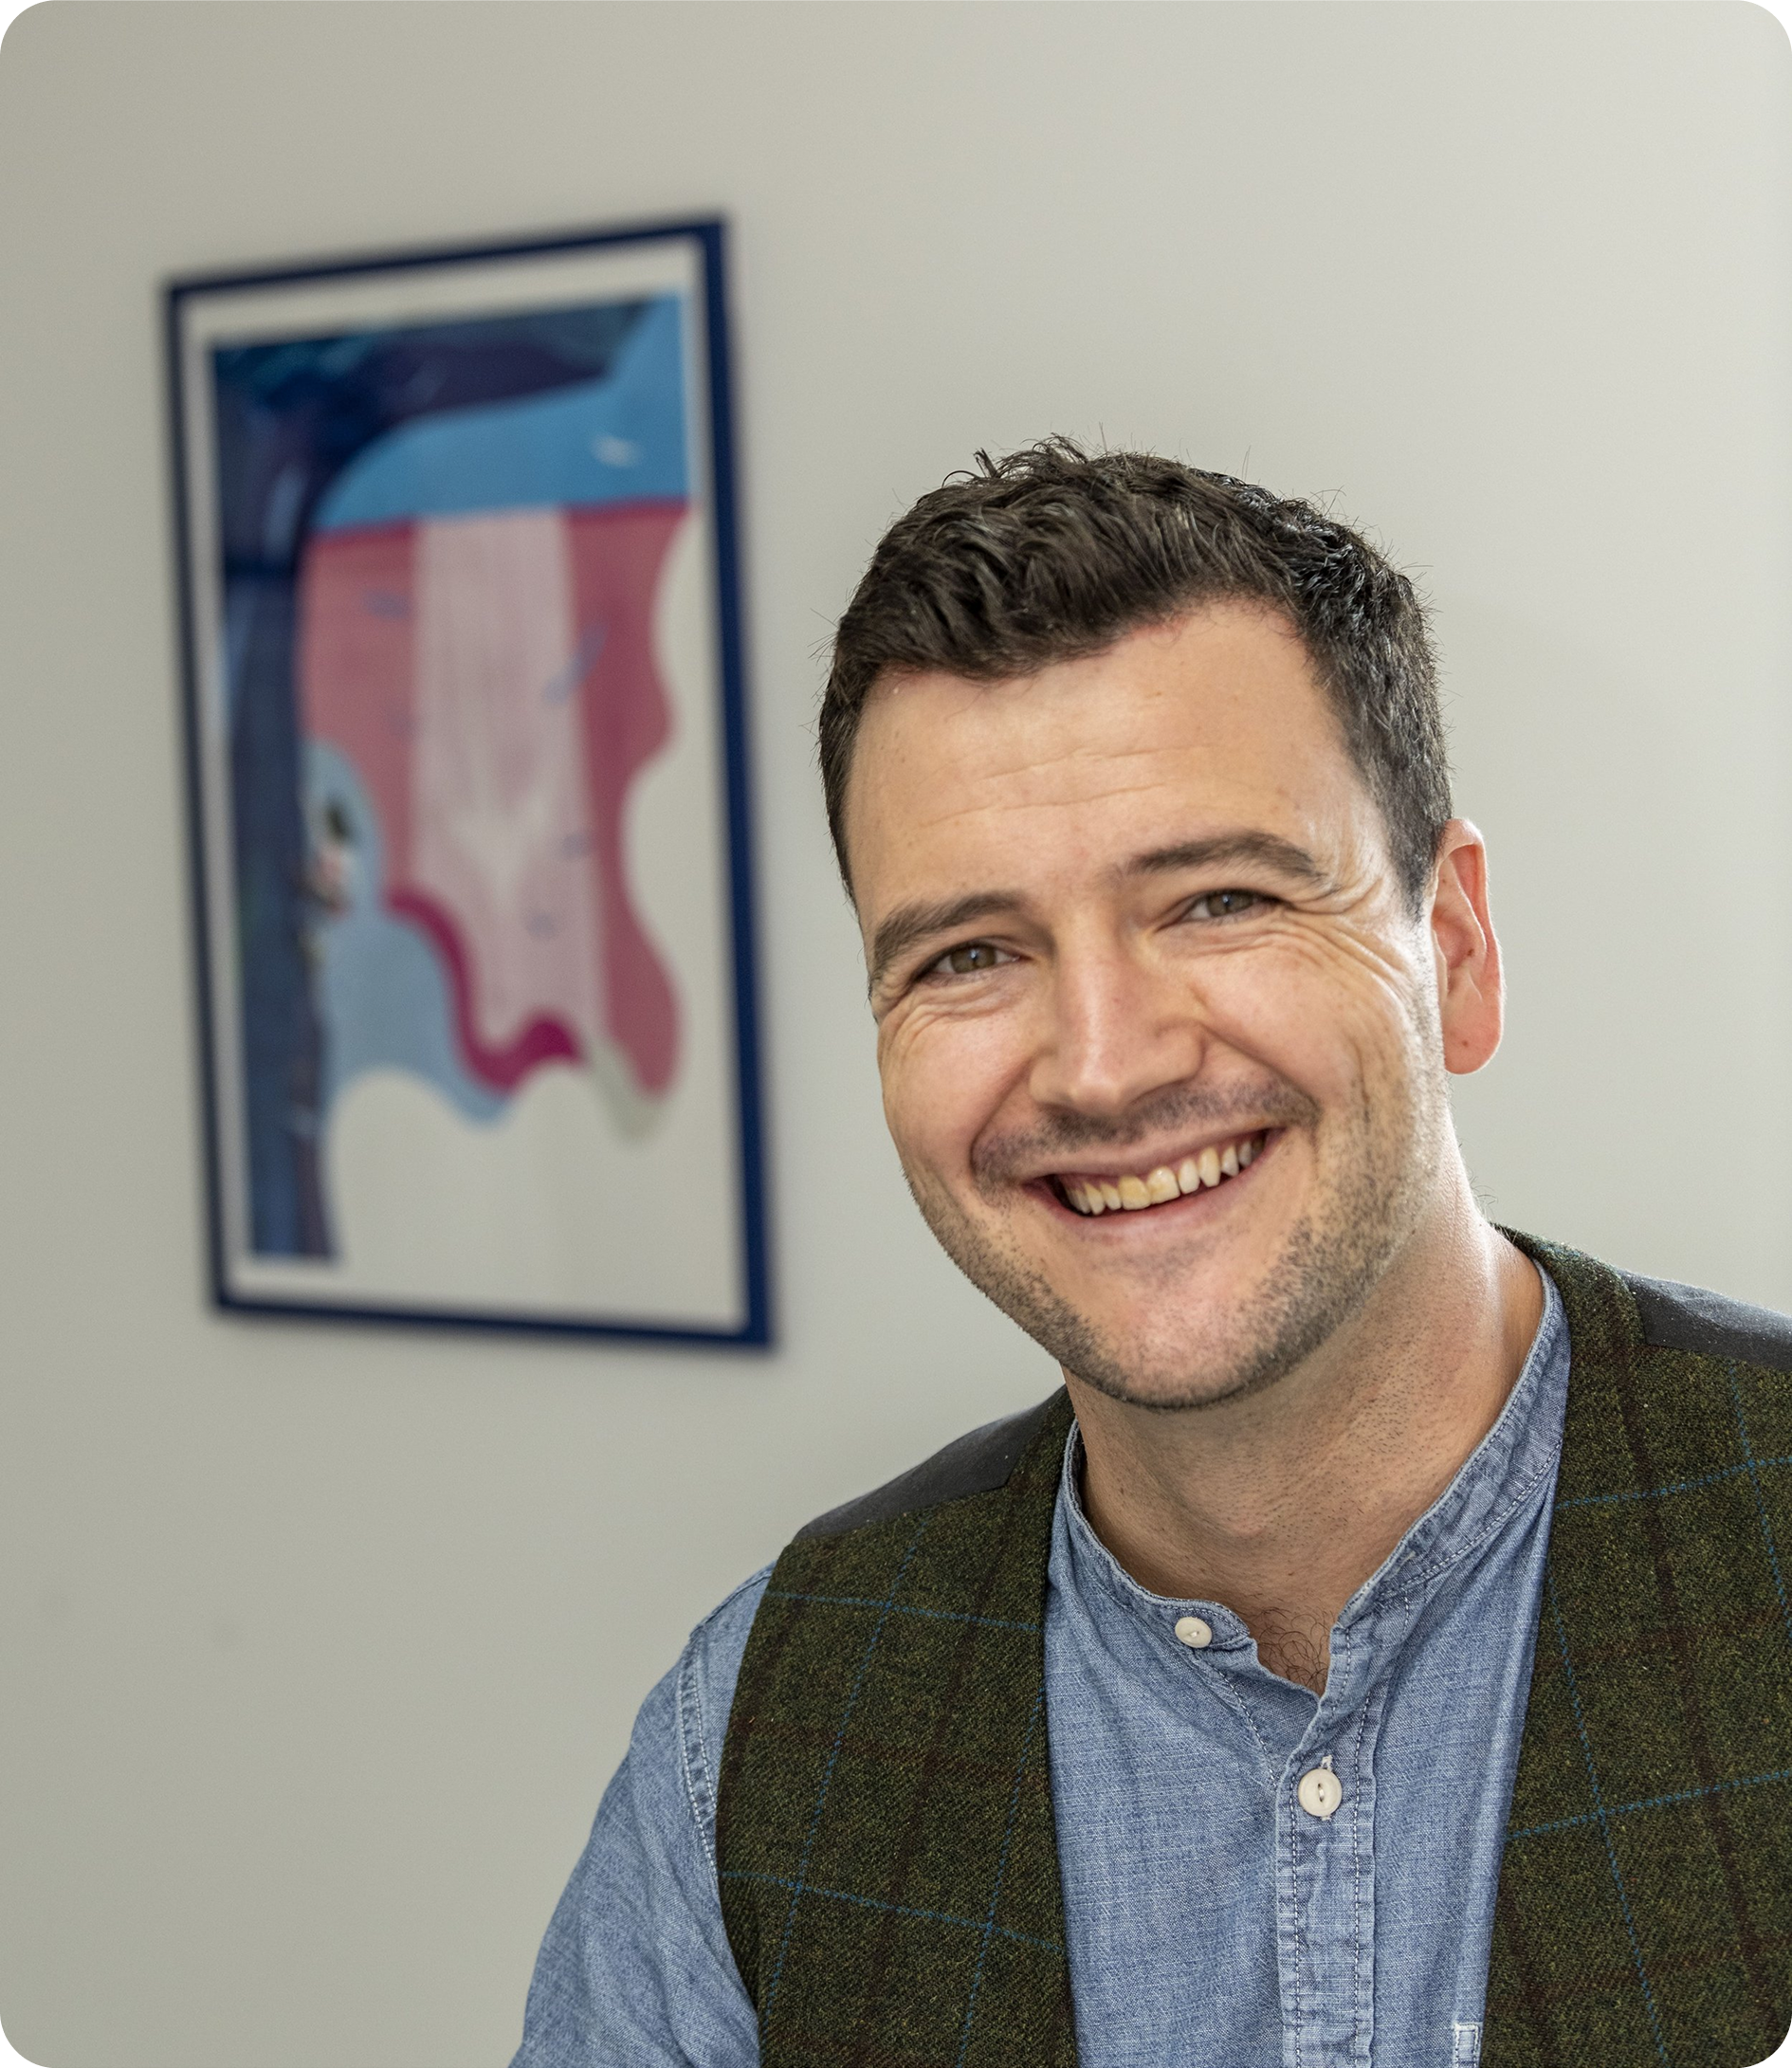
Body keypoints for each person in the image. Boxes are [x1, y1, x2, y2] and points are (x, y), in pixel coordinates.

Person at [514, 442, 1792, 2069]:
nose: (1101, 1067)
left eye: (1215, 902)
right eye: (970, 954)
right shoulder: (753, 1733)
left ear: (1453, 951)